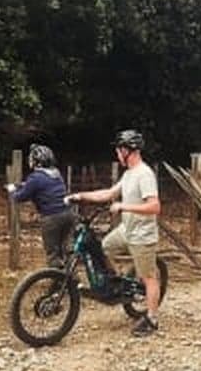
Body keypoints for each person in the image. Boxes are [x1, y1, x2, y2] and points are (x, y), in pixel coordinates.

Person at [66, 129, 162, 337]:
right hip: (126, 230)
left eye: (119, 150)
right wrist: (81, 196)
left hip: (142, 236)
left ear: (129, 151)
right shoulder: (128, 174)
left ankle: (152, 319)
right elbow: (109, 194)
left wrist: (124, 207)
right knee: (104, 248)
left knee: (149, 277)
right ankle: (117, 285)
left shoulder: (144, 174)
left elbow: (154, 207)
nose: (117, 154)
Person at [6, 144, 76, 269]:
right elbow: (39, 185)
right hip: (68, 214)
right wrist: (22, 184)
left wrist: (12, 190)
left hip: (51, 218)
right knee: (67, 250)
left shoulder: (35, 177)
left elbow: (20, 197)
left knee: (53, 253)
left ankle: (58, 283)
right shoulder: (56, 173)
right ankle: (72, 279)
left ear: (36, 162)